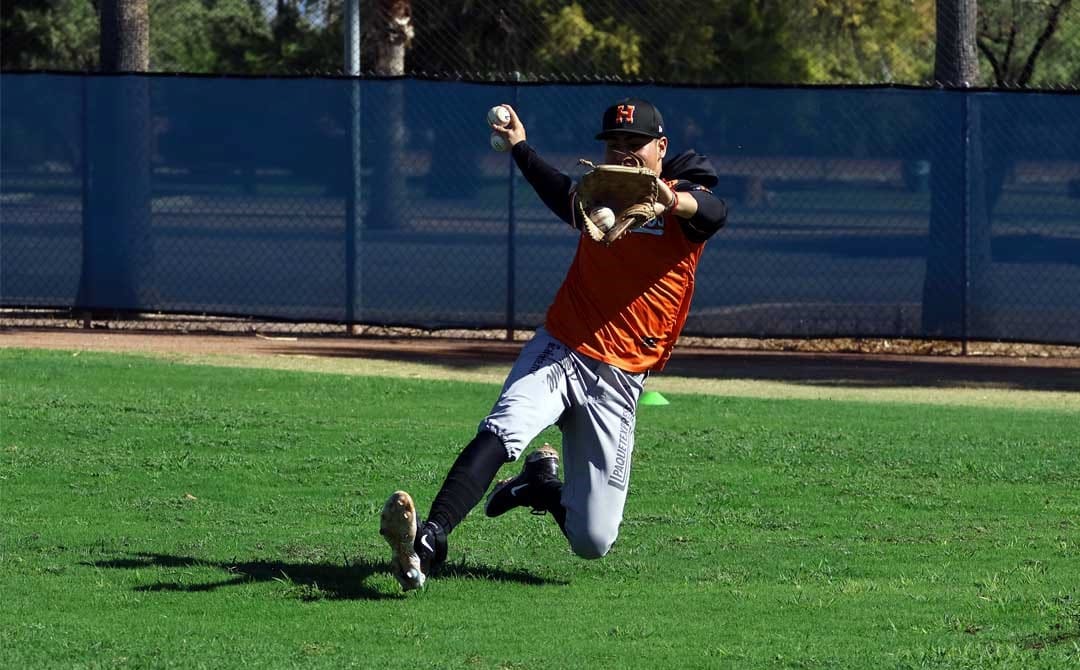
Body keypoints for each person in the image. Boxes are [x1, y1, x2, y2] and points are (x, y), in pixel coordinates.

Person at [380, 97, 728, 591]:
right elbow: (560, 191)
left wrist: (669, 199)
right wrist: (520, 148)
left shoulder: (682, 200)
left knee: (592, 539)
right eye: (615, 143)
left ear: (661, 147)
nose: (624, 152)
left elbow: (714, 212)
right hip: (563, 347)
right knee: (504, 430)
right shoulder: (599, 198)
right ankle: (430, 540)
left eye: (636, 143)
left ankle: (541, 486)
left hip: (621, 377)